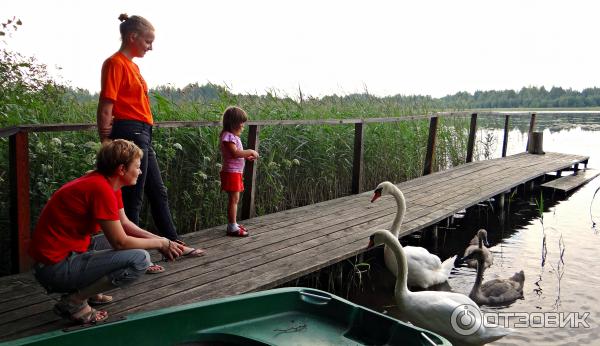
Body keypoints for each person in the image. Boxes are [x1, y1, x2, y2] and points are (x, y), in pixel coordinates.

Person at [29, 139, 185, 324]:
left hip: (63, 256)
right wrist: (160, 244)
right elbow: (120, 242)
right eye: (137, 166)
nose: (141, 171)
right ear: (121, 169)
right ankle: (75, 301)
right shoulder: (100, 189)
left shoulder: (108, 183)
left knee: (112, 241)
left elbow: (126, 225)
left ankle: (89, 290)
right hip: (54, 269)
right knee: (140, 259)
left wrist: (164, 240)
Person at [96, 13, 204, 264]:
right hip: (129, 131)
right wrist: (105, 140)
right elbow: (106, 105)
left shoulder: (133, 66)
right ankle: (132, 258)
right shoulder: (114, 63)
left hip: (143, 131)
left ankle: (174, 243)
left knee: (158, 191)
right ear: (132, 37)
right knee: (134, 196)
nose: (150, 47)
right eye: (147, 41)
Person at [219, 106, 259, 237]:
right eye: (241, 122)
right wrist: (250, 151)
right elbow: (235, 153)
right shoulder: (228, 137)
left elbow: (236, 154)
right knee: (234, 200)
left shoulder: (232, 136)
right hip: (231, 173)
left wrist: (246, 156)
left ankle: (234, 223)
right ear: (233, 123)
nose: (243, 125)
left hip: (235, 172)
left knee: (235, 199)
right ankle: (231, 227)